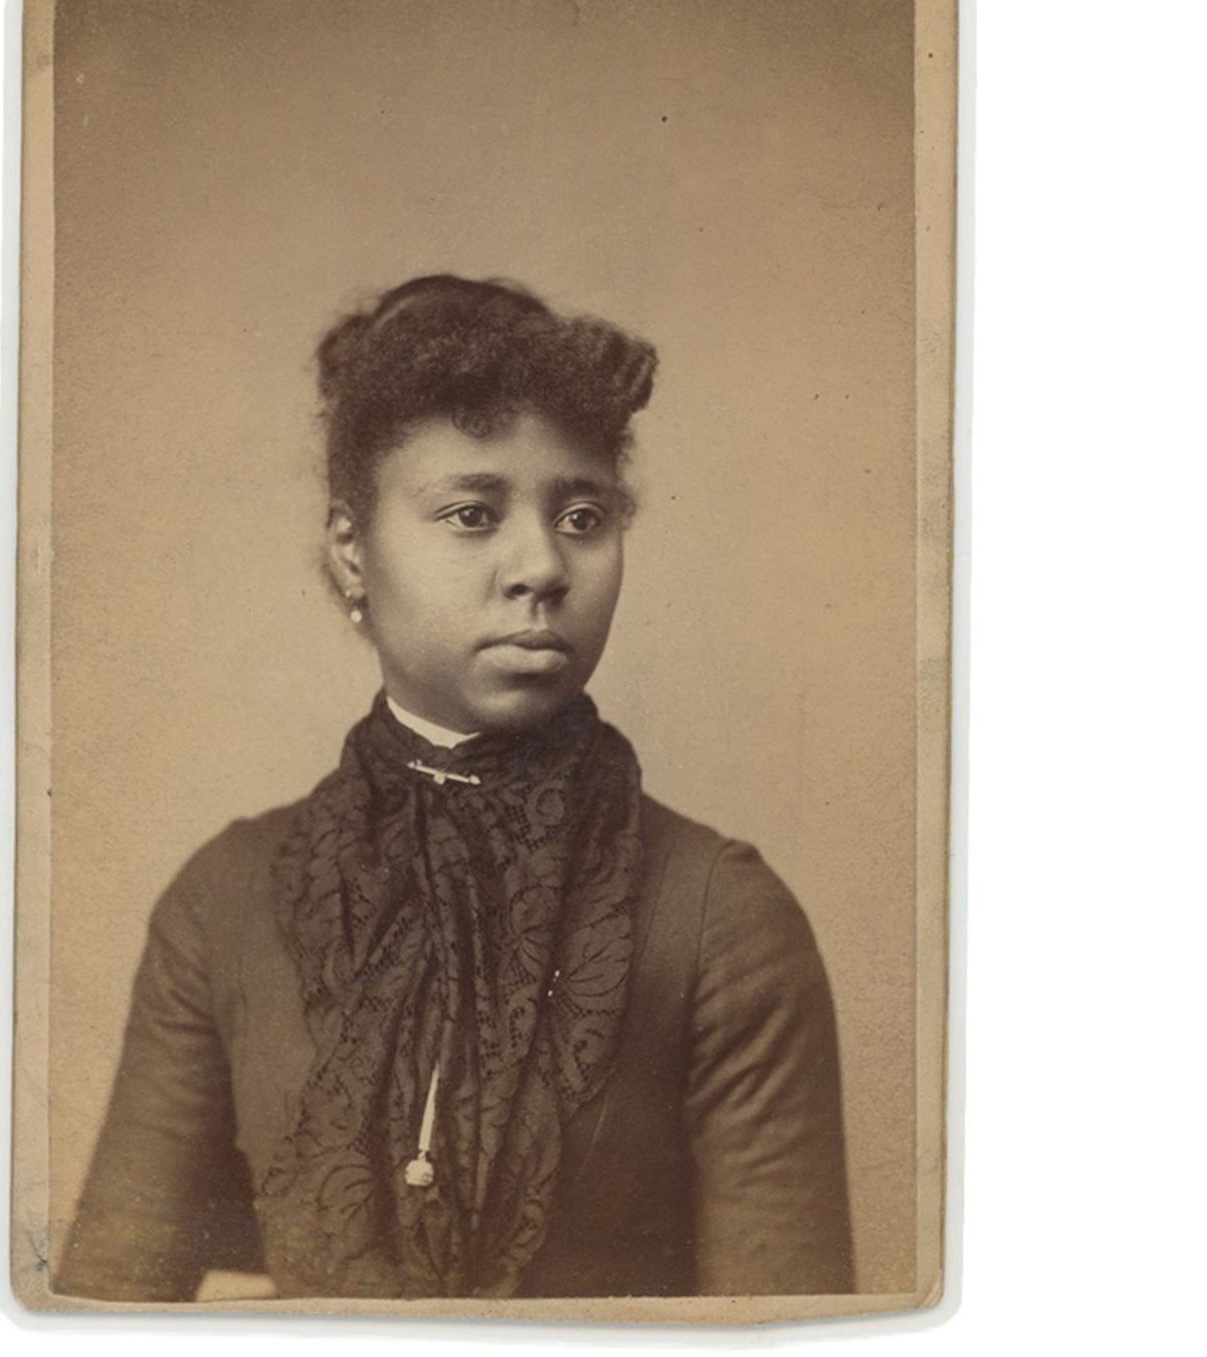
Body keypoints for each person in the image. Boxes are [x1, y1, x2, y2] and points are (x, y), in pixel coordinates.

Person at [56, 274, 855, 1302]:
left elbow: (782, 1330)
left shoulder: (722, 918)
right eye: (472, 514)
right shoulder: (223, 900)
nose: (541, 564)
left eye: (581, 513)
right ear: (353, 550)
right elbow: (104, 1310)